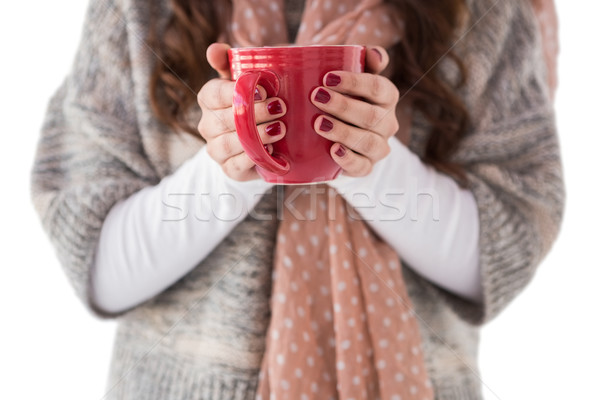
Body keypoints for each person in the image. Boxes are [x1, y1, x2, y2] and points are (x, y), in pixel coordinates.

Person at [30, 0, 564, 399]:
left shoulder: (486, 11)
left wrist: (363, 160)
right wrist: (233, 167)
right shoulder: (136, 10)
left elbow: (507, 243)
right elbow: (95, 257)